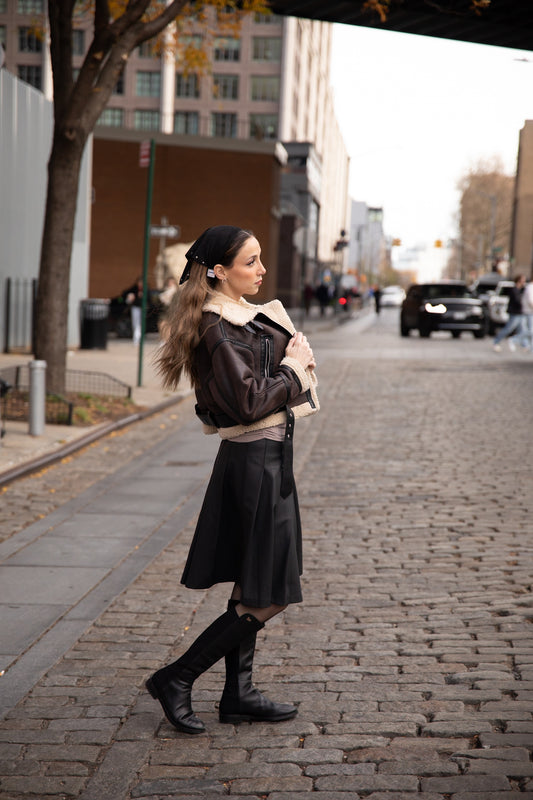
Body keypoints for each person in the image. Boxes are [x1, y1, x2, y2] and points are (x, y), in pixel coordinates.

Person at [147, 225, 319, 735]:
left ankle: (238, 693)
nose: (262, 270)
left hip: (266, 459)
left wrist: (289, 361)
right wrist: (295, 371)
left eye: (261, 259)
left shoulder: (237, 321)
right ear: (219, 270)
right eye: (251, 261)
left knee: (253, 583)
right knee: (271, 592)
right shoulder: (218, 327)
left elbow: (255, 387)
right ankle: (177, 677)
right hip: (255, 463)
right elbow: (246, 402)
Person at [493, 274, 526, 352]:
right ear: (519, 280)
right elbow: (518, 301)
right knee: (508, 329)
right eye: (523, 280)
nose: (524, 282)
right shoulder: (514, 290)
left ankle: (525, 345)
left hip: (520, 313)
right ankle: (496, 341)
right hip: (515, 313)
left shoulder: (520, 290)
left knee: (522, 330)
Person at [509, 278, 533, 352]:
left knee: (528, 330)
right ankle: (514, 339)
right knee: (530, 331)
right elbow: (530, 300)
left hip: (528, 312)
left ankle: (529, 347)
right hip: (528, 312)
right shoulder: (530, 287)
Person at [121, 276, 144, 345]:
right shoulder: (134, 289)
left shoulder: (145, 289)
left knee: (140, 323)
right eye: (139, 282)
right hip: (136, 307)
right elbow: (125, 293)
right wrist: (131, 296)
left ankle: (139, 337)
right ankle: (136, 337)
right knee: (135, 323)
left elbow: (149, 298)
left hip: (142, 308)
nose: (140, 284)